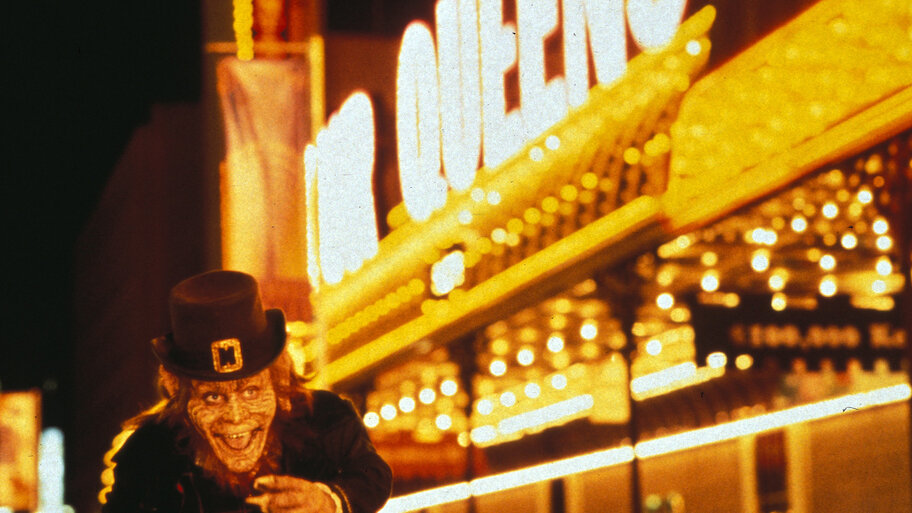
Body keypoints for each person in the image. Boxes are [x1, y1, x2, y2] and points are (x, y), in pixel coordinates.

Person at [100, 270, 392, 513]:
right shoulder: (148, 450)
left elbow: (374, 474)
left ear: (279, 383)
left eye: (251, 391)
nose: (236, 416)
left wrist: (327, 500)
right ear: (180, 396)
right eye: (213, 397)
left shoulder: (325, 416)